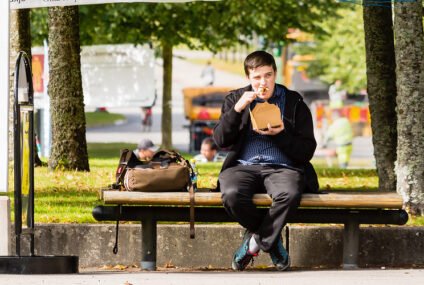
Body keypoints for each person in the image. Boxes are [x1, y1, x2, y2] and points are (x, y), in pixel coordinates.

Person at [213, 51, 317, 271]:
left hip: (283, 167)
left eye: (268, 76)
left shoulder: (293, 102)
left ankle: (254, 242)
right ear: (249, 78)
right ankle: (272, 241)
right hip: (243, 166)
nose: (263, 82)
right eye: (257, 78)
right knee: (231, 194)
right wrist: (237, 109)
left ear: (275, 73)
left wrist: (280, 135)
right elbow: (221, 140)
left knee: (288, 194)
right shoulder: (236, 99)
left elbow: (307, 150)